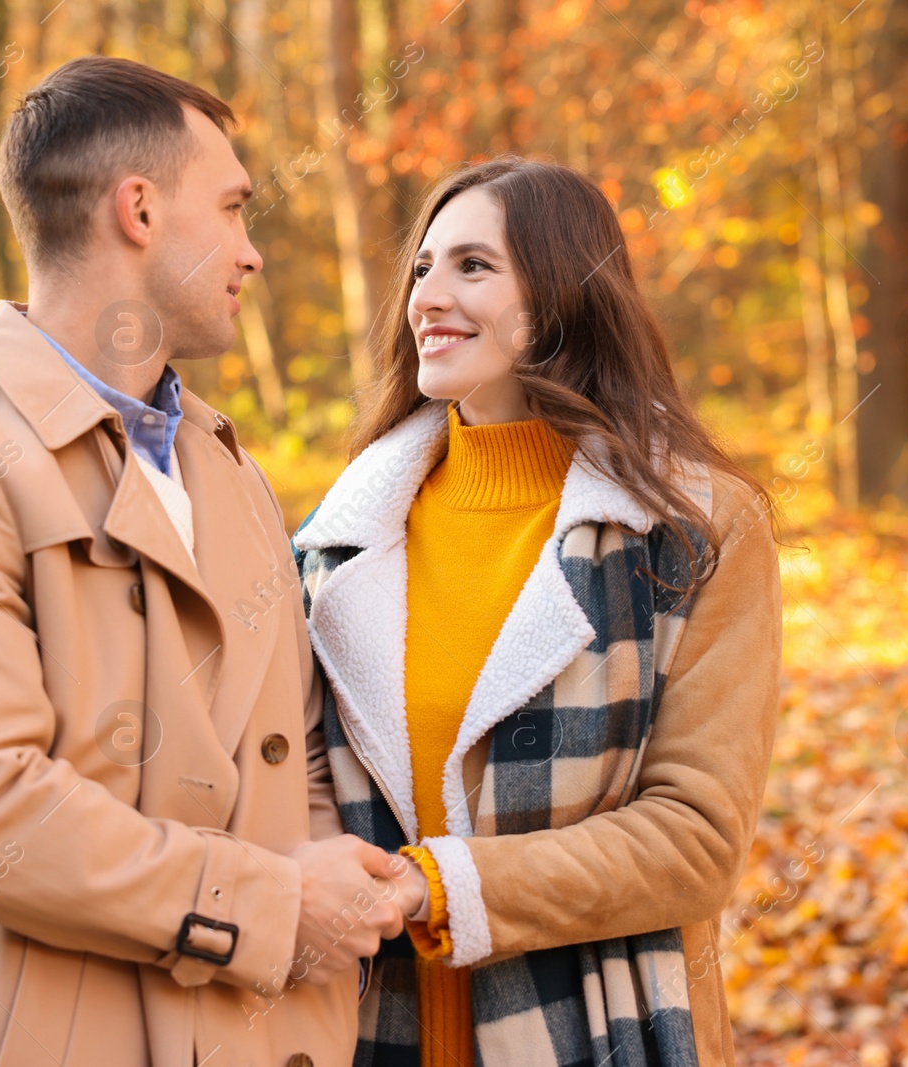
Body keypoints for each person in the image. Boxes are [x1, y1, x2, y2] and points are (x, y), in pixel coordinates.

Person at [0, 56, 419, 1067]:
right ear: (137, 209)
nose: (253, 250)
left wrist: (328, 895)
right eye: (232, 208)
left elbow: (299, 748)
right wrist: (270, 907)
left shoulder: (226, 469)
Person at [292, 156, 784, 1066]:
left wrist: (434, 886)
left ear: (565, 296)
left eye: (473, 267)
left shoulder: (692, 530)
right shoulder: (338, 538)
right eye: (423, 267)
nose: (428, 295)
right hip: (361, 1030)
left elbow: (696, 840)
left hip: (597, 1031)